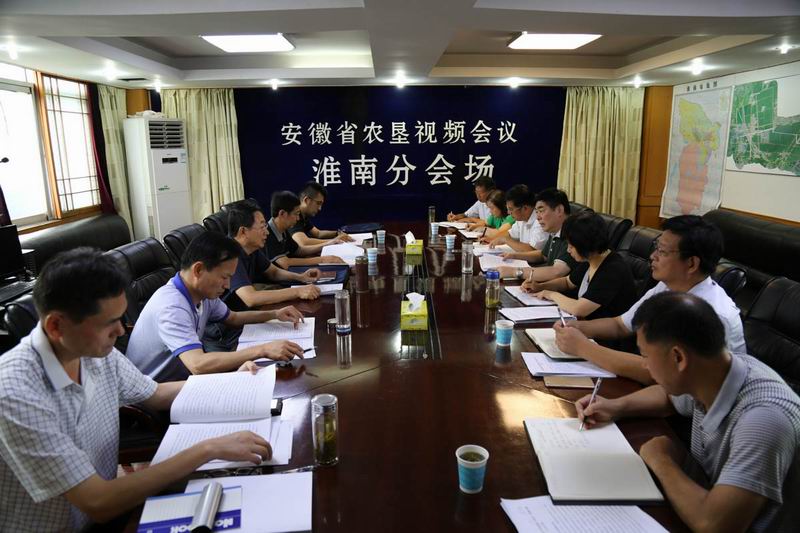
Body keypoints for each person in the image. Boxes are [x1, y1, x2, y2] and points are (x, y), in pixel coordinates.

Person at [0, 248, 273, 531]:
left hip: (103, 512)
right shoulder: (15, 393)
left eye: (120, 318)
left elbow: (156, 394)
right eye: (109, 323)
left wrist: (231, 380)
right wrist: (209, 448)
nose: (121, 331)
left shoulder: (93, 352)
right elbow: (98, 502)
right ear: (57, 326)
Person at [577, 292, 800, 533]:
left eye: (645, 356)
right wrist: (616, 406)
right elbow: (668, 397)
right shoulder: (713, 370)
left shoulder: (764, 420)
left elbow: (715, 525)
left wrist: (661, 460)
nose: (645, 365)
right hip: (704, 490)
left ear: (678, 357)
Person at [554, 215, 746, 384]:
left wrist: (583, 347)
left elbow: (656, 373)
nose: (652, 256)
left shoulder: (711, 315)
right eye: (656, 247)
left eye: (662, 251)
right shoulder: (667, 286)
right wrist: (576, 327)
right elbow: (620, 325)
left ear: (691, 263)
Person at [127, 231, 307, 382]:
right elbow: (198, 364)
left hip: (183, 381)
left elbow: (233, 318)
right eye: (224, 277)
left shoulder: (202, 293)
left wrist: (275, 314)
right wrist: (263, 350)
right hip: (154, 399)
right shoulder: (172, 306)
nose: (228, 285)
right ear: (198, 270)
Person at [526, 209, 637, 320]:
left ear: (585, 245)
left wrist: (550, 294)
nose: (568, 250)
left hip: (602, 329)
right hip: (584, 323)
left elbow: (579, 309)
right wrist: (540, 286)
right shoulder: (591, 257)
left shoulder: (612, 270)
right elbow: (567, 282)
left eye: (571, 246)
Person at [226, 199, 321, 310]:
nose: (267, 232)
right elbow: (250, 298)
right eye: (262, 227)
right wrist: (297, 291)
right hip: (229, 318)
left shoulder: (251, 248)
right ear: (243, 231)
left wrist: (301, 277)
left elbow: (274, 272)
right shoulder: (229, 254)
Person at [494, 188, 577, 283]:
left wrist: (514, 272)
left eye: (541, 211)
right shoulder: (554, 231)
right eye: (536, 212)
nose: (538, 217)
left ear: (559, 210)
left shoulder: (573, 233)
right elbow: (543, 255)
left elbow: (556, 272)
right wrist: (514, 255)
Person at [266, 191, 345, 268]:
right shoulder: (267, 233)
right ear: (282, 213)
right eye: (296, 214)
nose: (298, 218)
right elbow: (285, 263)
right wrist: (322, 260)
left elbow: (299, 250)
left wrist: (328, 244)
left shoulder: (283, 231)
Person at [485, 183, 548, 251]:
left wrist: (505, 240)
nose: (508, 213)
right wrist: (492, 239)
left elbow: (532, 250)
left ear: (525, 208)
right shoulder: (521, 219)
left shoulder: (540, 221)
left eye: (511, 209)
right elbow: (509, 234)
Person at [290, 181, 353, 248]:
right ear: (306, 200)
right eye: (318, 203)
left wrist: (337, 233)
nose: (320, 208)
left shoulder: (303, 215)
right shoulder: (292, 215)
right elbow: (302, 242)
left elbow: (318, 233)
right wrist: (335, 240)